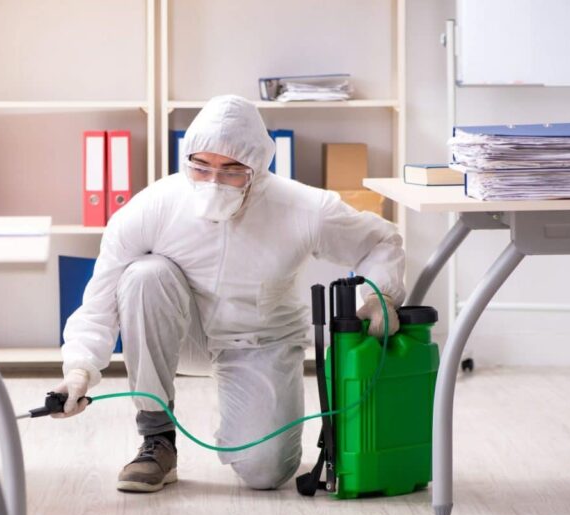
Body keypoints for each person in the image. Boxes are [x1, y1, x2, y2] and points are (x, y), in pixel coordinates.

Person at [53, 95, 405, 493]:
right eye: (201, 167)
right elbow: (100, 298)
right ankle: (157, 439)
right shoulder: (153, 207)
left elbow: (380, 241)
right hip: (185, 333)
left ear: (257, 167)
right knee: (144, 276)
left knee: (266, 473)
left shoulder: (302, 207)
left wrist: (382, 296)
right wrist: (79, 370)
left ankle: (250, 435)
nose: (214, 181)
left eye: (232, 170)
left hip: (261, 340)